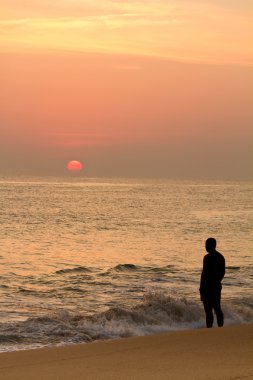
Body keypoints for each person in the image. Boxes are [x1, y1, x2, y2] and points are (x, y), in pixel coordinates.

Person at [200, 237, 225, 328]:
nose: (205, 247)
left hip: (208, 287)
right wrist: (217, 282)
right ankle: (220, 327)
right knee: (217, 309)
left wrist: (202, 287)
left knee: (209, 311)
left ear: (212, 246)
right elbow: (223, 273)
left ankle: (209, 329)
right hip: (216, 286)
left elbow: (204, 274)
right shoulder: (221, 257)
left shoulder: (207, 257)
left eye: (207, 245)